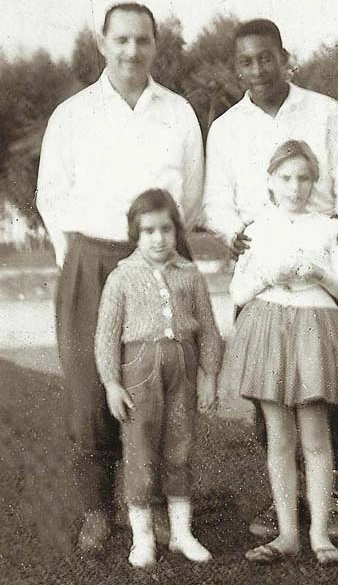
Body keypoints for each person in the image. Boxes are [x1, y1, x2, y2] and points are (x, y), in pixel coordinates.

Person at [36, 2, 204, 551]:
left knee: (156, 384)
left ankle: (153, 508)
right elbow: (51, 195)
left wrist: (162, 251)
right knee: (91, 386)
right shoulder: (73, 113)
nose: (133, 51)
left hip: (158, 254)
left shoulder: (177, 112)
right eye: (122, 40)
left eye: (143, 41)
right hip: (91, 260)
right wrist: (76, 261)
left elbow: (192, 197)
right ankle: (96, 510)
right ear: (102, 43)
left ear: (156, 45)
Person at [204, 18, 338, 538]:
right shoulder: (227, 126)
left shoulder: (324, 110)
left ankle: (331, 488)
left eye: (266, 57)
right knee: (269, 389)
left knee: (332, 392)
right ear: (237, 67)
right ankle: (285, 502)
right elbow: (216, 201)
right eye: (246, 61)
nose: (257, 69)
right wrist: (236, 234)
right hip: (264, 264)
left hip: (320, 261)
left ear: (284, 55)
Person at [219, 140, 338, 564]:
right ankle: (287, 534)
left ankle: (320, 535)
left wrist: (319, 271)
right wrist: (270, 273)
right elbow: (238, 289)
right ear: (270, 180)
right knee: (280, 439)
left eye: (304, 178)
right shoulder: (256, 228)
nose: (295, 186)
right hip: (269, 328)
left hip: (313, 329)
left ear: (314, 182)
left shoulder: (326, 227)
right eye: (286, 177)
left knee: (317, 437)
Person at [95, 189, 222, 567]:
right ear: (135, 234)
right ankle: (143, 537)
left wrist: (210, 375)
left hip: (182, 369)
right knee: (140, 451)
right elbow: (105, 334)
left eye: (165, 229)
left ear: (176, 231)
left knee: (179, 447)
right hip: (137, 375)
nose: (158, 238)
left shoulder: (190, 275)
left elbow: (210, 331)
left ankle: (182, 533)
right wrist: (112, 383)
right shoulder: (122, 278)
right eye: (148, 230)